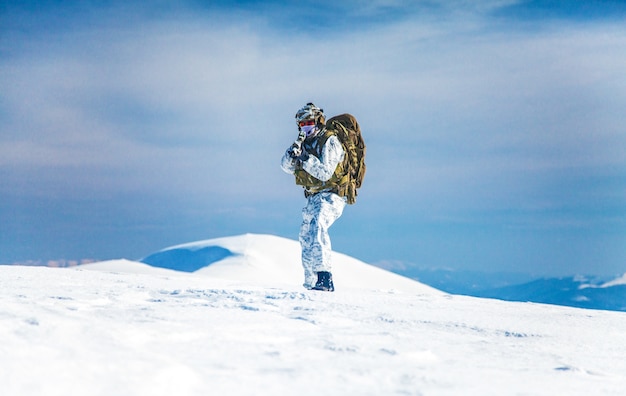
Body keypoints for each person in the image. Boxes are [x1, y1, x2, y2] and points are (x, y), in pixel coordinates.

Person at [281, 103, 347, 292]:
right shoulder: (304, 143)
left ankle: (324, 278)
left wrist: (306, 159)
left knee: (318, 225)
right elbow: (286, 167)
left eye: (309, 122)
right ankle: (311, 282)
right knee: (306, 236)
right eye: (302, 124)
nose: (305, 127)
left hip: (332, 195)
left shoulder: (330, 141)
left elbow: (326, 173)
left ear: (318, 121)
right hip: (313, 196)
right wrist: (292, 155)